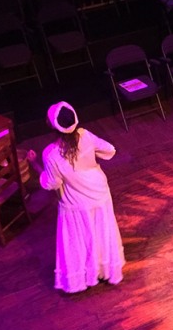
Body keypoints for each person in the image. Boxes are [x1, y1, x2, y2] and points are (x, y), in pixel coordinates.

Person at [27, 102, 125, 294]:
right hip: (99, 193)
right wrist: (89, 157)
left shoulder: (51, 153)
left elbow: (51, 183)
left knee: (80, 239)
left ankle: (85, 276)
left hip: (76, 202)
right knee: (101, 231)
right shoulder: (85, 135)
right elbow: (110, 150)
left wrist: (35, 164)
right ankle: (105, 269)